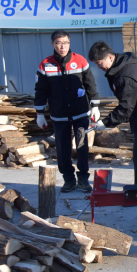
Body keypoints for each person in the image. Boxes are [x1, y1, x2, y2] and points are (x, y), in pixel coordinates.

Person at [88, 41, 137, 185]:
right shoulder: (119, 68)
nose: (99, 67)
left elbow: (125, 108)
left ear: (110, 58)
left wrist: (104, 123)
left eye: (100, 63)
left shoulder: (126, 76)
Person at [34, 30, 100, 193]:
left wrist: (95, 105)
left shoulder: (80, 61)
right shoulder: (45, 65)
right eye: (58, 43)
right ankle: (69, 180)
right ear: (53, 44)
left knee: (82, 146)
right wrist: (39, 113)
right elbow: (40, 90)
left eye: (65, 42)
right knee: (62, 149)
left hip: (80, 113)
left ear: (69, 43)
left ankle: (83, 178)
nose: (62, 46)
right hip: (59, 114)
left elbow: (90, 83)